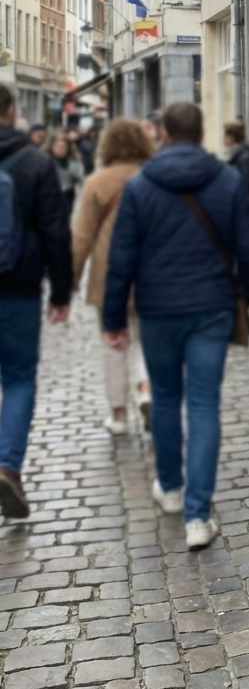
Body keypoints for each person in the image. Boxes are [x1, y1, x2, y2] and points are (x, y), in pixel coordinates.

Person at [102, 102, 249, 549]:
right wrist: (243, 295)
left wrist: (114, 317)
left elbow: (121, 258)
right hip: (212, 306)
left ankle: (171, 488)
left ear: (165, 135)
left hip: (157, 309)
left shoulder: (140, 186)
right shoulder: (227, 181)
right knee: (204, 403)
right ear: (201, 133)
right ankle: (198, 515)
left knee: (166, 397)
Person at [0, 83, 71, 518]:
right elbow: (56, 233)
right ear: (12, 111)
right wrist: (61, 292)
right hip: (18, 288)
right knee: (19, 379)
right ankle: (8, 466)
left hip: (20, 286)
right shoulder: (36, 162)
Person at [72, 118, 154, 435]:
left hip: (107, 275)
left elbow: (82, 237)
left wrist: (71, 279)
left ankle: (119, 414)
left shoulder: (97, 182)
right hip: (148, 272)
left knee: (113, 341)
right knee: (146, 338)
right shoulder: (151, 176)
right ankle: (146, 389)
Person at [47, 130, 84, 218]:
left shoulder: (73, 162)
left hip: (67, 196)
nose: (60, 147)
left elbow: (80, 180)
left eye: (63, 145)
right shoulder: (46, 162)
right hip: (49, 196)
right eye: (57, 145)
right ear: (51, 146)